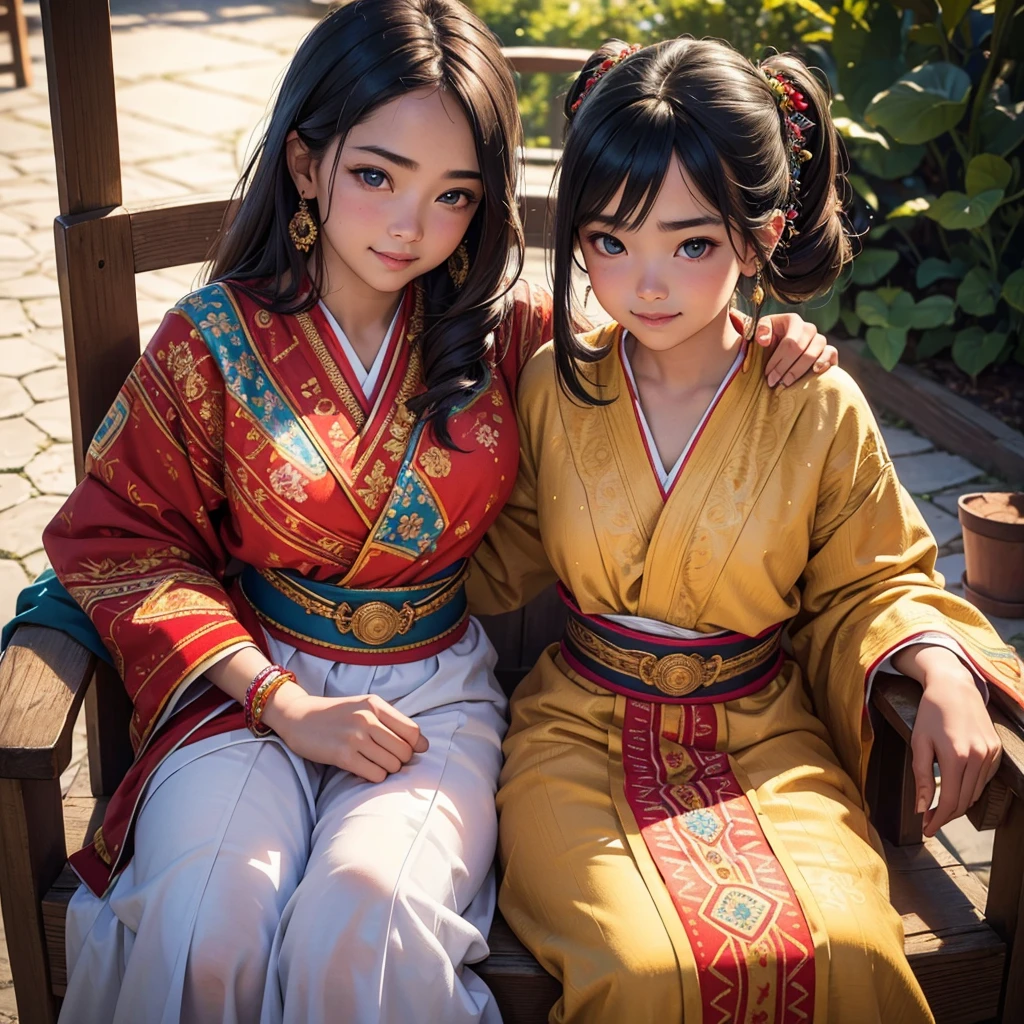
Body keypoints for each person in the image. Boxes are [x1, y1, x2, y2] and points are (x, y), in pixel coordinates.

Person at [28, 4, 834, 1022]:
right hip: (248, 683)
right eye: (376, 174)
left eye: (452, 194)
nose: (409, 225)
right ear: (307, 164)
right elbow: (119, 542)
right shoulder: (208, 342)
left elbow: (657, 337)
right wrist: (284, 704)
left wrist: (767, 343)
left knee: (364, 925)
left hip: (435, 694)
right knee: (205, 918)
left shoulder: (507, 338)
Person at [468, 36, 1024, 1024]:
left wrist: (937, 665)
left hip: (764, 736)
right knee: (643, 970)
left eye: (691, 244)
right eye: (608, 241)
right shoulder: (555, 382)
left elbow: (873, 576)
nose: (645, 282)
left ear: (761, 234)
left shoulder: (813, 403)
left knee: (848, 948)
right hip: (576, 734)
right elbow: (489, 545)